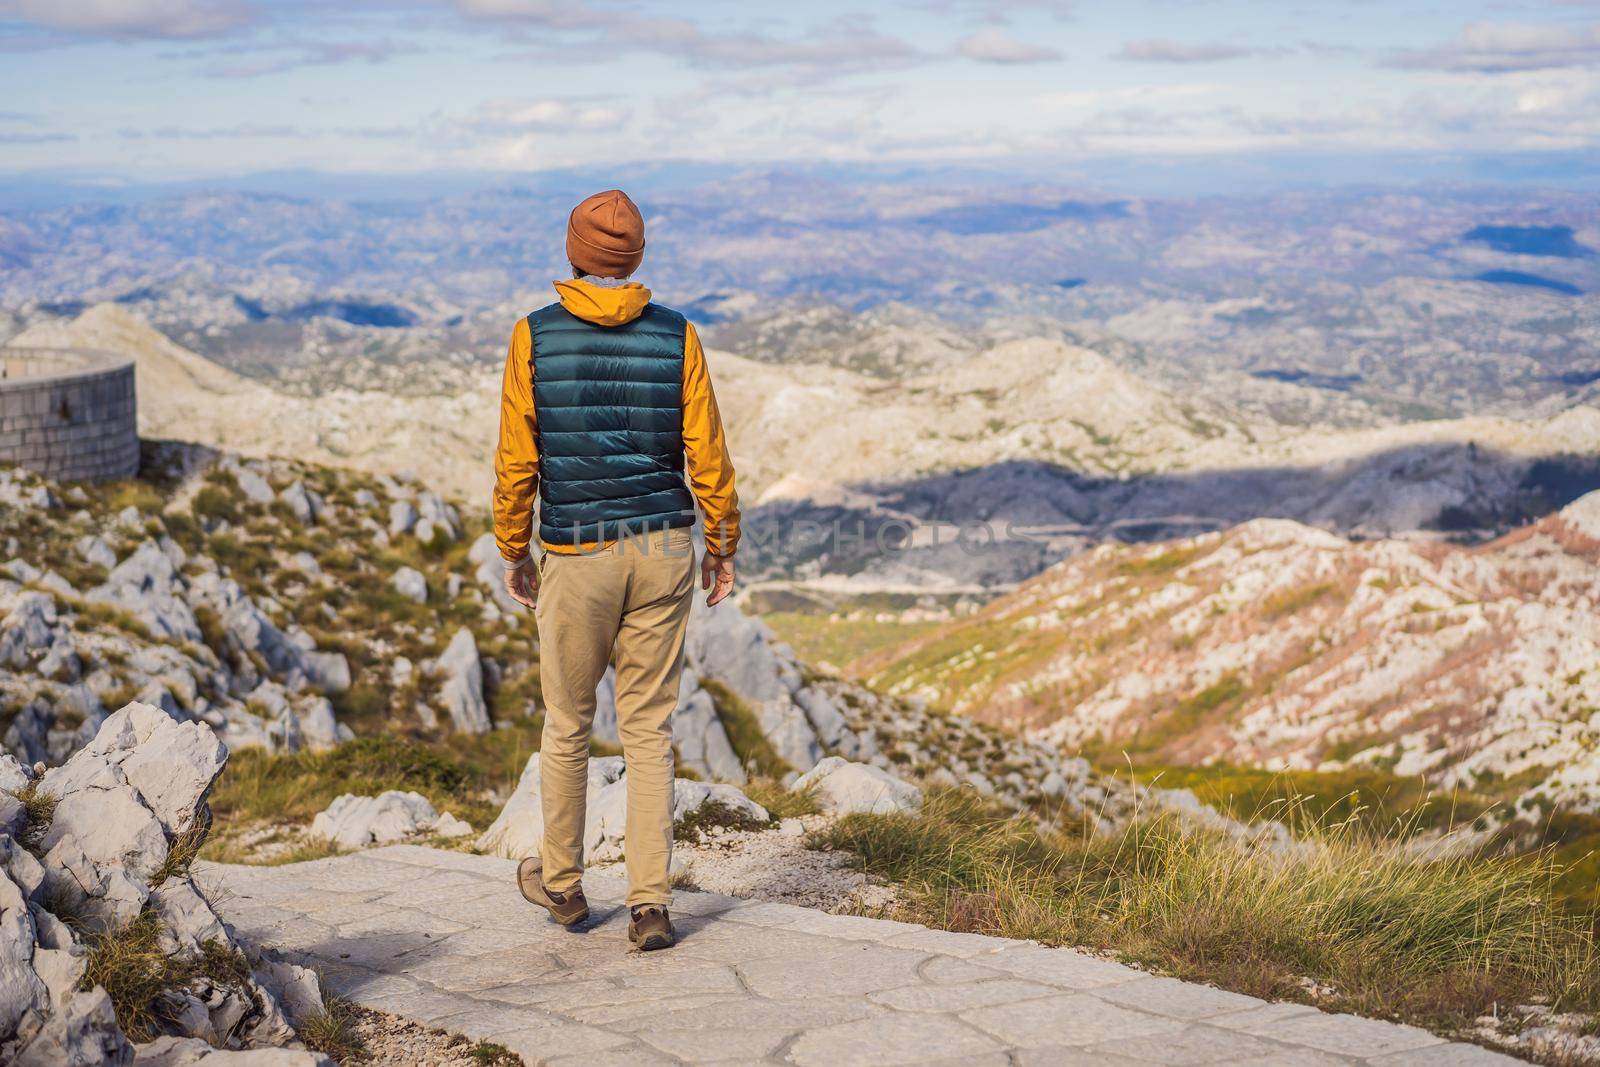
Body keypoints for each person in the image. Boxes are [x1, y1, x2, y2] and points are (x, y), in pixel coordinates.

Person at [491, 188, 740, 951]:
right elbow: (708, 454)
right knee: (649, 731)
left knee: (567, 723)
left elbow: (517, 459)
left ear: (573, 252)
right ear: (634, 258)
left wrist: (512, 547)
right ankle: (650, 905)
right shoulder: (679, 336)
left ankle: (564, 887)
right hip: (664, 548)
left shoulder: (532, 336)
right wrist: (722, 541)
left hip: (577, 551)